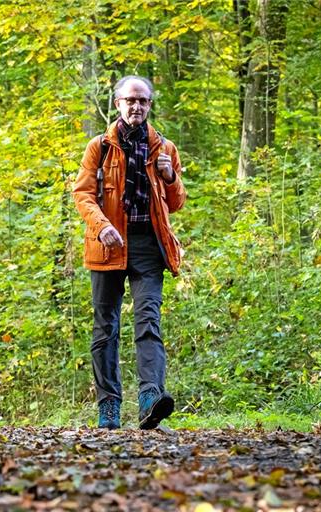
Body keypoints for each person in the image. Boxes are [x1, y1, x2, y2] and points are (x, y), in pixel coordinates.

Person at [73, 75, 187, 429]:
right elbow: (82, 194)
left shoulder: (164, 147)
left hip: (149, 246)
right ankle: (108, 407)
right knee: (105, 327)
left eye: (143, 101)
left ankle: (151, 399)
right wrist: (102, 225)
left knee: (149, 322)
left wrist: (171, 178)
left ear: (150, 105)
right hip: (107, 244)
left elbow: (177, 203)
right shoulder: (100, 147)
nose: (136, 106)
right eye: (130, 100)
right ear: (118, 103)